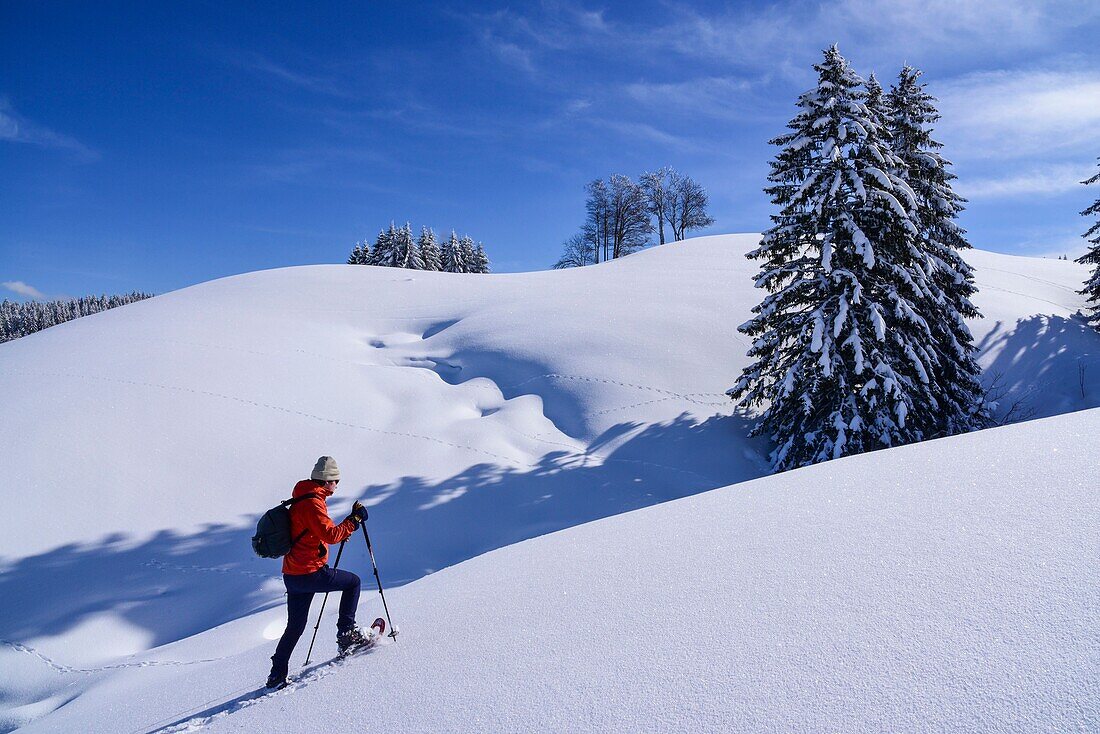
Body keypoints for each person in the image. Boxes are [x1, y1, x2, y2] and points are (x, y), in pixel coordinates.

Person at [267, 455, 369, 689]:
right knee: (353, 583)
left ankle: (276, 674)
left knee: (295, 626)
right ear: (327, 481)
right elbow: (330, 536)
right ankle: (346, 636)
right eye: (336, 480)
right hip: (309, 572)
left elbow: (319, 532)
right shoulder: (312, 503)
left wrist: (346, 524)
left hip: (293, 574)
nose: (337, 485)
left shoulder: (303, 495)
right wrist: (354, 521)